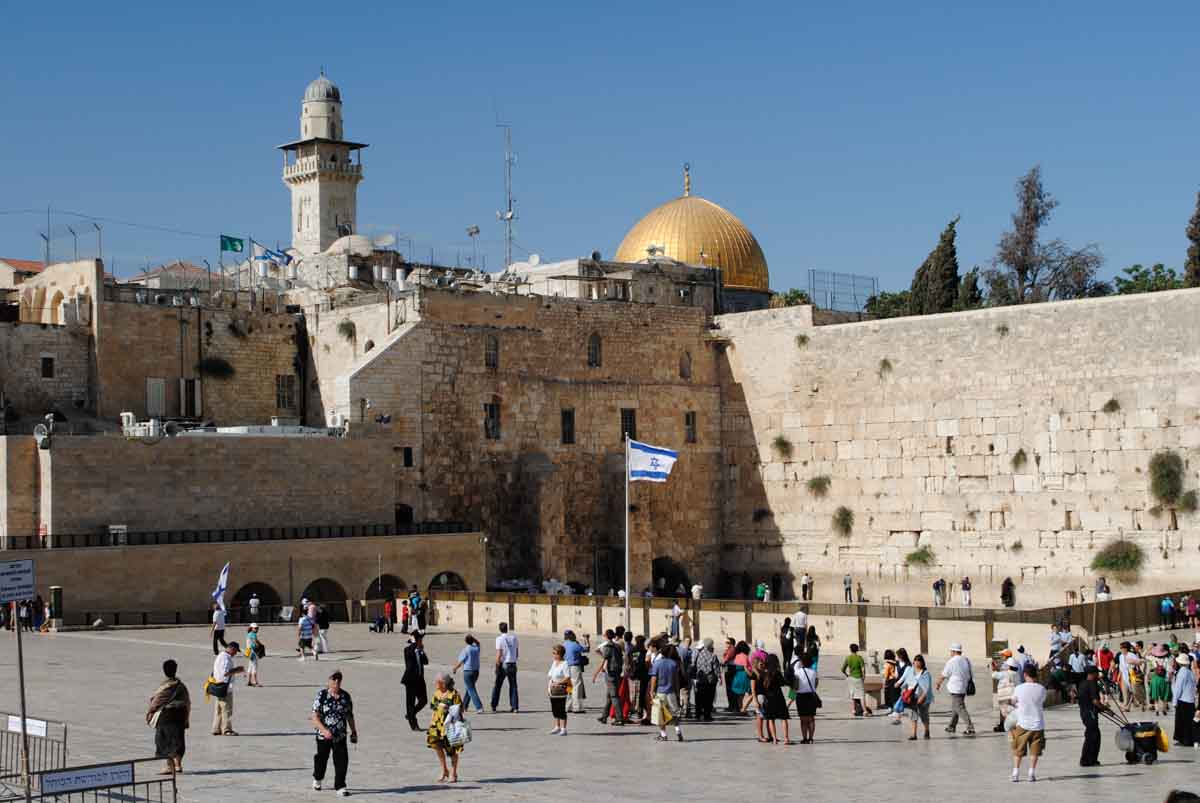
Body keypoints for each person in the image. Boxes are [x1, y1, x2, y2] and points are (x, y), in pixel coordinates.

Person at [310, 670, 357, 796]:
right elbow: (314, 717)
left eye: (339, 679)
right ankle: (318, 778)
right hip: (323, 736)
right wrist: (324, 730)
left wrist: (354, 731)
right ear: (329, 681)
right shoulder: (322, 696)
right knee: (321, 759)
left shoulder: (345, 696)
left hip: (340, 735)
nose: (336, 682)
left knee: (342, 760)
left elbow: (349, 715)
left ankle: (340, 786)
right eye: (334, 679)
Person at [147, 659, 190, 775]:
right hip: (180, 714)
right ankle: (178, 765)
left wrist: (150, 712)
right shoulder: (181, 686)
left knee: (165, 739)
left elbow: (157, 701)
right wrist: (186, 717)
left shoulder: (165, 686)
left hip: (167, 715)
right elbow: (187, 701)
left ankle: (169, 766)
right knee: (178, 739)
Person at [1009, 665, 1047, 782]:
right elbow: (1041, 702)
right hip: (1038, 724)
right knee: (1035, 750)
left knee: (1018, 749)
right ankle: (1031, 773)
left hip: (1023, 723)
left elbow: (1013, 701)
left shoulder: (1019, 688)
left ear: (1025, 674)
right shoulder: (1041, 689)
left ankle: (1015, 773)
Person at [427, 673, 464, 783]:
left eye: (437, 681)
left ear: (443, 683)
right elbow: (432, 706)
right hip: (436, 725)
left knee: (452, 750)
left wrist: (448, 708)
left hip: (450, 726)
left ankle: (453, 773)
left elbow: (461, 709)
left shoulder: (454, 694)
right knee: (437, 746)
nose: (435, 683)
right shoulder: (436, 693)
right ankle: (444, 770)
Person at [935, 643, 975, 735]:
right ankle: (951, 726)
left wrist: (938, 683)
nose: (950, 653)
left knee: (960, 708)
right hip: (963, 687)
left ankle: (970, 727)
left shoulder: (952, 661)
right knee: (955, 707)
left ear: (953, 651)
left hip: (955, 688)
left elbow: (944, 674)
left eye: (951, 651)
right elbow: (971, 674)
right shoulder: (966, 660)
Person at [651, 643, 684, 742]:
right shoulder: (673, 664)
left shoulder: (657, 663)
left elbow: (654, 678)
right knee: (675, 713)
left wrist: (651, 690)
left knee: (660, 715)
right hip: (671, 692)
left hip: (660, 692)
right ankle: (677, 730)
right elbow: (676, 680)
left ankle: (663, 734)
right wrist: (678, 692)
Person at [593, 629, 626, 725]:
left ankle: (620, 719)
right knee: (609, 696)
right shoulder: (617, 646)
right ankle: (604, 716)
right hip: (617, 672)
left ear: (606, 636)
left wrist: (596, 673)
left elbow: (604, 660)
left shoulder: (608, 646)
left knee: (614, 696)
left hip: (610, 674)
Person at [1077, 664, 1107, 767]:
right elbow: (1095, 701)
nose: (1098, 674)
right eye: (1096, 673)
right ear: (1092, 674)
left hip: (1084, 713)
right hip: (1090, 714)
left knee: (1091, 735)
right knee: (1093, 736)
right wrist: (1104, 708)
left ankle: (1088, 759)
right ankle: (1088, 760)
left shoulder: (1082, 683)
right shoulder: (1092, 684)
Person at [210, 642, 243, 736]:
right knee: (227, 709)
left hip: (218, 686)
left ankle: (216, 728)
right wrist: (238, 669)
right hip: (224, 687)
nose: (235, 653)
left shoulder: (220, 656)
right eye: (235, 651)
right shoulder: (226, 658)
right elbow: (225, 673)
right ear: (231, 648)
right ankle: (227, 729)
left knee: (219, 709)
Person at [899, 654, 933, 740]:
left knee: (923, 715)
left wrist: (922, 697)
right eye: (916, 661)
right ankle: (913, 734)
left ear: (922, 663)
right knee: (913, 715)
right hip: (912, 697)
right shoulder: (911, 671)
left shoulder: (926, 673)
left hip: (923, 697)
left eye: (919, 661)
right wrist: (903, 691)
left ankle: (927, 730)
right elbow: (906, 683)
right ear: (913, 662)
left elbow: (927, 688)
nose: (917, 663)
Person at [760, 654, 791, 745]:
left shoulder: (764, 673)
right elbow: (783, 683)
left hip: (769, 698)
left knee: (771, 719)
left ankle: (774, 739)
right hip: (779, 697)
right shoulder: (777, 672)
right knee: (783, 718)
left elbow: (762, 686)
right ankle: (786, 738)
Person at [403, 630, 430, 731]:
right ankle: (414, 725)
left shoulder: (419, 650)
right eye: (420, 639)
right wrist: (415, 644)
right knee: (410, 703)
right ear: (416, 640)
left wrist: (422, 651)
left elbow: (426, 662)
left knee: (424, 700)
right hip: (410, 680)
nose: (422, 641)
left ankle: (410, 714)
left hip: (420, 680)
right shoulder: (408, 650)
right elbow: (410, 654)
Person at [491, 622, 519, 713]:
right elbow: (517, 652)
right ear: (507, 628)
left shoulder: (499, 639)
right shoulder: (514, 638)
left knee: (497, 685)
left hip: (503, 665)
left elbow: (499, 653)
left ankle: (494, 706)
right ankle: (515, 707)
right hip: (513, 664)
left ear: (500, 629)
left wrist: (497, 664)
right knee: (513, 686)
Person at [451, 635, 483, 713]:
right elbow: (478, 643)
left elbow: (461, 661)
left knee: (471, 689)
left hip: (468, 671)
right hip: (476, 671)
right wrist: (473, 638)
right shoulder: (476, 648)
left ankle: (479, 707)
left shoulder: (466, 649)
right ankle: (464, 706)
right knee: (469, 688)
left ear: (465, 641)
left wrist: (455, 668)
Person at [692, 637, 720, 721]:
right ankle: (707, 715)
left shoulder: (699, 654)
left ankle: (698, 714)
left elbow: (695, 665)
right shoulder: (713, 655)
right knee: (709, 698)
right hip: (710, 680)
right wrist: (719, 677)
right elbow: (715, 668)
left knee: (699, 697)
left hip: (700, 678)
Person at [1171, 653, 1196, 747]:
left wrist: (1174, 701)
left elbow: (1178, 689)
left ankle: (1183, 740)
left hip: (1183, 700)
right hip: (1190, 700)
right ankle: (1190, 739)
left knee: (1181, 722)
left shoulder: (1181, 672)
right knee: (1189, 722)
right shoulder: (1190, 672)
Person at [840, 643, 871, 716]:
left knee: (853, 695)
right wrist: (863, 677)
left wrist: (847, 675)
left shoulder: (848, 658)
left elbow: (842, 669)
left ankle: (854, 710)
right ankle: (865, 711)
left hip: (851, 678)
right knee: (861, 695)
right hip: (858, 677)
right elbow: (863, 669)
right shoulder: (859, 658)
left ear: (850, 649)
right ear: (857, 650)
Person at [562, 630, 589, 714]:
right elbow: (586, 649)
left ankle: (568, 706)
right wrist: (586, 639)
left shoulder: (564, 644)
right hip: (574, 667)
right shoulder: (574, 644)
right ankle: (577, 707)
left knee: (569, 686)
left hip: (566, 667)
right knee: (576, 686)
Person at [547, 644, 571, 735]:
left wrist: (558, 683)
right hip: (553, 689)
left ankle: (563, 729)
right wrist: (549, 687)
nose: (553, 655)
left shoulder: (565, 664)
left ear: (560, 654)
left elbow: (568, 677)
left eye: (555, 653)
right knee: (554, 709)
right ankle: (557, 727)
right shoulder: (554, 662)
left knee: (561, 709)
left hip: (561, 689)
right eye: (553, 653)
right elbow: (551, 675)